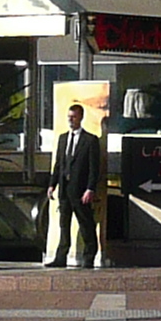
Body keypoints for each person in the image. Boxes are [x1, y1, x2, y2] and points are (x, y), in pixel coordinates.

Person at [48, 103, 105, 270]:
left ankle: (89, 257)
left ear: (80, 117)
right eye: (69, 117)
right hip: (65, 190)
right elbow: (58, 164)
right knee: (63, 225)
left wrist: (90, 189)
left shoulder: (90, 140)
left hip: (81, 191)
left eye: (73, 117)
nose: (70, 120)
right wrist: (52, 185)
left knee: (86, 225)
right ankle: (60, 257)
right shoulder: (63, 138)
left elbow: (95, 168)